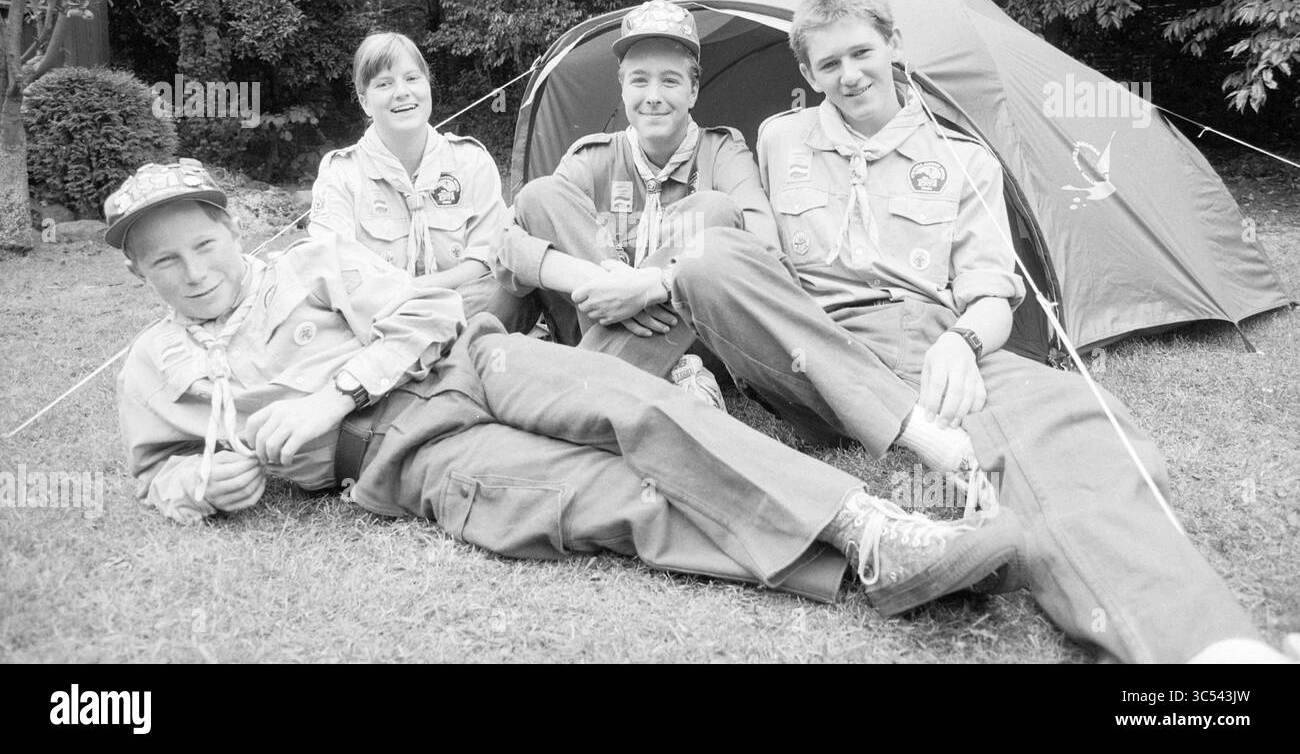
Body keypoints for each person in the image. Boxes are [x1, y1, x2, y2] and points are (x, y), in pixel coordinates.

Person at [601, 0, 1288, 662]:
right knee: (711, 255)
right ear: (807, 73)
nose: (849, 75)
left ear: (894, 46)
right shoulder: (780, 138)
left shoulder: (964, 160)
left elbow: (994, 294)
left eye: (861, 53)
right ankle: (922, 435)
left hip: (924, 345)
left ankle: (1206, 651)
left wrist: (963, 342)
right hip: (803, 351)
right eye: (829, 64)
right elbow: (741, 254)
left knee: (1076, 426)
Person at [107, 158, 1025, 621]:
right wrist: (206, 488)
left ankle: (874, 525)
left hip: (470, 361)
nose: (193, 273)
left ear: (232, 233)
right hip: (404, 453)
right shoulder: (157, 367)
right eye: (165, 263)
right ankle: (867, 568)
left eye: (204, 246)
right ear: (142, 275)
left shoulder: (310, 263)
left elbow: (426, 315)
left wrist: (331, 390)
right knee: (603, 497)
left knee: (635, 406)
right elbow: (156, 472)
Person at [493, 0, 779, 405]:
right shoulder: (592, 157)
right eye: (640, 80)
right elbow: (505, 245)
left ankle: (594, 385)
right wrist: (598, 283)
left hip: (694, 345)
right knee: (540, 195)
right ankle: (659, 385)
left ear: (694, 90)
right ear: (623, 88)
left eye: (670, 81)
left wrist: (653, 287)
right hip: (591, 322)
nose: (654, 96)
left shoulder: (723, 152)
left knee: (713, 212)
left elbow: (764, 248)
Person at [309, 32, 537, 333]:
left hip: (459, 306)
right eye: (384, 84)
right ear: (365, 102)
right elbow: (333, 269)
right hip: (379, 312)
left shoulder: (471, 161)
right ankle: (445, 357)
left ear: (427, 86)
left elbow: (486, 261)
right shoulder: (342, 172)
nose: (402, 92)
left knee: (513, 292)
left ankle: (409, 354)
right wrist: (398, 299)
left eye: (412, 78)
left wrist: (417, 290)